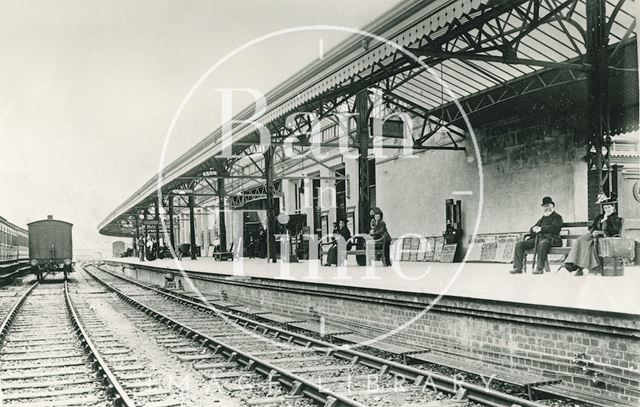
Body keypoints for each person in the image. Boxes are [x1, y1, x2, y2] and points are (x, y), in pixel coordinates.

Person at [563, 194, 622, 276]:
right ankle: (572, 264)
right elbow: (594, 226)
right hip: (595, 235)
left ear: (613, 208)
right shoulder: (600, 217)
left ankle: (580, 268)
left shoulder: (615, 218)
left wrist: (607, 220)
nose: (607, 209)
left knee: (588, 245)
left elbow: (613, 231)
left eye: (609, 207)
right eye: (605, 208)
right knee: (580, 239)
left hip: (605, 238)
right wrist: (590, 231)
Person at [510, 196, 563, 274]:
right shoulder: (542, 219)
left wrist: (541, 229)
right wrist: (533, 229)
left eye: (548, 205)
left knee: (542, 244)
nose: (546, 208)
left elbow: (555, 228)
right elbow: (533, 229)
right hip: (539, 239)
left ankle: (539, 268)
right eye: (544, 206)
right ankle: (518, 267)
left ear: (552, 206)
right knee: (519, 245)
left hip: (551, 239)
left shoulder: (557, 217)